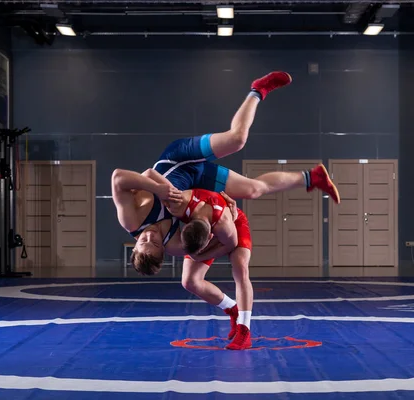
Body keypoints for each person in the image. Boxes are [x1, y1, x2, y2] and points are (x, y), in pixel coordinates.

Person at [112, 71, 340, 275]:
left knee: (237, 139)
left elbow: (119, 177)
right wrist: (227, 222)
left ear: (135, 242)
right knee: (253, 190)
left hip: (176, 160)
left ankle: (258, 90)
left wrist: (159, 189)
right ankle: (313, 177)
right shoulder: (175, 246)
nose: (150, 236)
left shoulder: (131, 220)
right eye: (154, 242)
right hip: (197, 181)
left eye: (144, 240)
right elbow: (204, 247)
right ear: (163, 249)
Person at [166, 188, 253, 350]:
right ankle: (232, 309)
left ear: (209, 239)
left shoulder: (224, 226)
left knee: (240, 268)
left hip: (234, 225)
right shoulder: (176, 205)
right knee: (190, 281)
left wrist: (198, 257)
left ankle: (244, 330)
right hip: (205, 226)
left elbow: (230, 244)